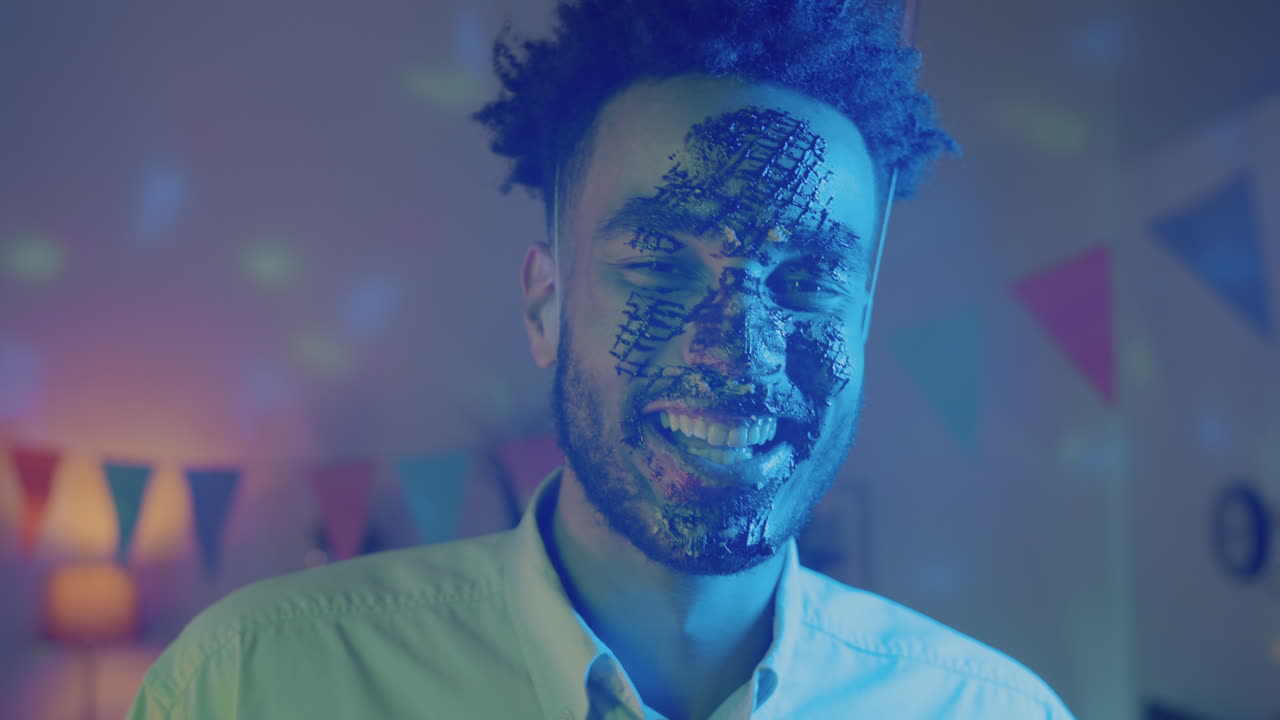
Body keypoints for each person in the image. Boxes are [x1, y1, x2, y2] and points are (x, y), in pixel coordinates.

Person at [128, 1, 1074, 718]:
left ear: (861, 324)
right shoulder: (258, 685)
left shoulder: (991, 712)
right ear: (546, 305)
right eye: (661, 262)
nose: (739, 353)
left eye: (806, 279)